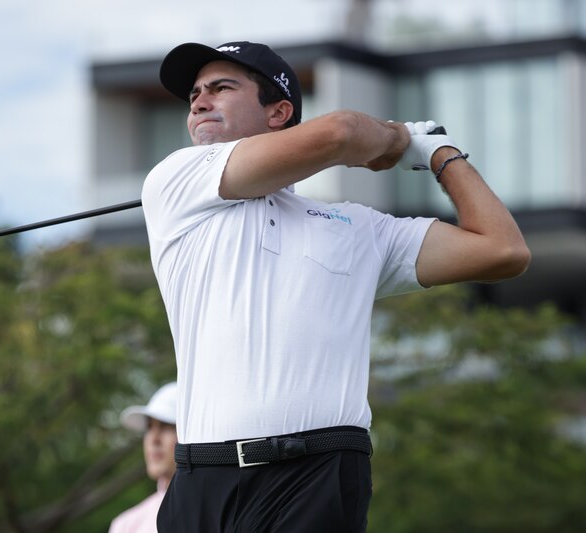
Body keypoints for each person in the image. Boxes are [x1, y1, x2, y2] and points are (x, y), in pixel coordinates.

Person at [141, 41, 531, 532]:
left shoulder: (356, 226)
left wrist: (441, 155)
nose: (199, 101)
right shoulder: (176, 180)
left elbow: (503, 250)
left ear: (279, 112)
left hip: (315, 475)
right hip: (200, 478)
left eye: (221, 88)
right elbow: (343, 133)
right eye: (196, 93)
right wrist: (396, 139)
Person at [108, 382, 177, 533]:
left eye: (166, 426)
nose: (154, 438)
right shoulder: (126, 526)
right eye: (149, 427)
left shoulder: (222, 512)